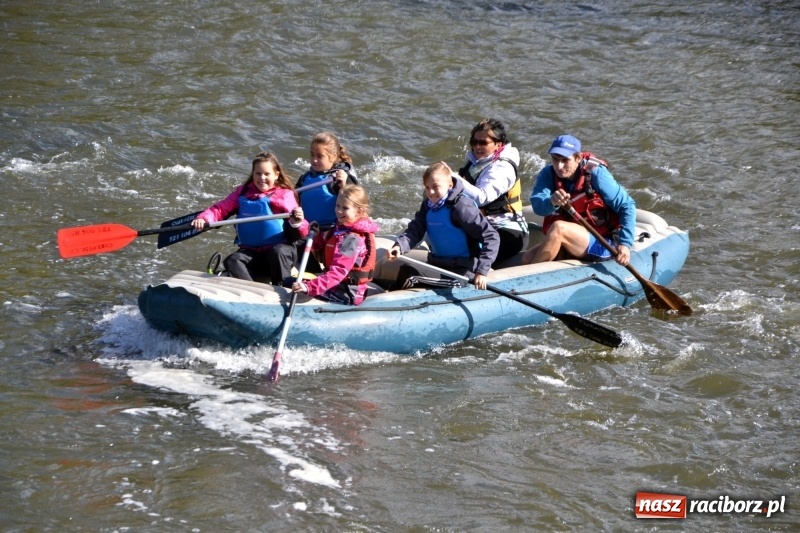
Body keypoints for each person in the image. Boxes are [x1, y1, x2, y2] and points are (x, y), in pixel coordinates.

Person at [191, 151, 308, 283]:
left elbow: (302, 229)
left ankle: (282, 286)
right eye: (258, 173)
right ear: (253, 174)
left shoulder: (284, 195)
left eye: (267, 174)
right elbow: (220, 208)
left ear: (276, 175)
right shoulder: (242, 193)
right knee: (233, 260)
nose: (262, 178)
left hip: (280, 254)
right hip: (253, 254)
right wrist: (204, 218)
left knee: (278, 252)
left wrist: (297, 222)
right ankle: (251, 290)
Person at [521, 134, 636, 266]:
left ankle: (534, 279)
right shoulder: (548, 174)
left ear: (578, 158)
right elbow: (537, 206)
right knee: (527, 258)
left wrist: (625, 244)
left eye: (565, 160)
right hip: (574, 239)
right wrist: (551, 202)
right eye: (555, 159)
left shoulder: (597, 174)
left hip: (603, 241)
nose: (559, 166)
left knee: (559, 228)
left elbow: (627, 205)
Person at [387, 161, 500, 290]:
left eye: (435, 186)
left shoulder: (461, 207)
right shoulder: (427, 206)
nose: (431, 192)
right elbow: (415, 230)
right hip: (437, 264)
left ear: (450, 185)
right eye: (427, 187)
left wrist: (481, 271)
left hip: (462, 272)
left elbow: (491, 236)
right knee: (404, 271)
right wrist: (399, 246)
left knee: (409, 274)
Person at [454, 118, 528, 265]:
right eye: (474, 142)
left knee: (463, 256)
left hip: (506, 232)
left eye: (483, 143)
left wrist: (454, 179)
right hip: (481, 225)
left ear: (498, 144)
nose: (477, 147)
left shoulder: (502, 168)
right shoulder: (475, 162)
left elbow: (482, 197)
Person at [292, 185, 379, 306]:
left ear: (359, 211)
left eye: (345, 208)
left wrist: (309, 287)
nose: (339, 211)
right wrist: (317, 237)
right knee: (290, 282)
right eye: (337, 205)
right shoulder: (340, 230)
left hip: (347, 292)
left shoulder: (351, 238)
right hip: (337, 285)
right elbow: (322, 256)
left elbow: (338, 272)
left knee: (291, 286)